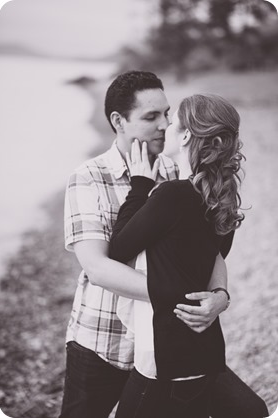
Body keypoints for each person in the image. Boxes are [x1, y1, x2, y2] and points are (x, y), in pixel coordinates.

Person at [59, 71, 268, 418]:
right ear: (118, 121)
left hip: (171, 342)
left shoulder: (180, 173)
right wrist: (180, 294)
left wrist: (220, 296)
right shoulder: (89, 177)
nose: (164, 124)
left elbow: (211, 251)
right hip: (104, 340)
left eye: (167, 114)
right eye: (150, 116)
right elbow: (97, 267)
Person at [108, 94, 246, 417]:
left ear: (185, 136)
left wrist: (140, 185)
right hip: (204, 351)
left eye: (173, 122)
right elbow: (215, 258)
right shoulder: (223, 199)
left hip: (164, 358)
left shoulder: (172, 195)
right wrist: (221, 295)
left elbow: (118, 249)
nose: (166, 126)